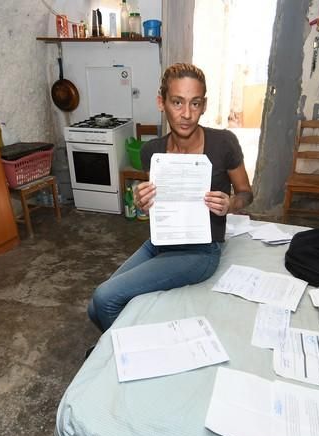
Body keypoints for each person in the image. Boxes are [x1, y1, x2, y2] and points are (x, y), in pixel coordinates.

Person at [87, 63, 253, 332]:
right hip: (161, 242)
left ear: (204, 105)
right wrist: (143, 202)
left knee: (105, 299)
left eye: (195, 103)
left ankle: (134, 352)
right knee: (94, 307)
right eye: (177, 102)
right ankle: (119, 345)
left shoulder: (224, 143)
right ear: (161, 102)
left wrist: (231, 203)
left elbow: (246, 192)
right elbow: (158, 206)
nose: (187, 114)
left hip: (201, 250)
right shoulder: (151, 151)